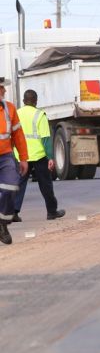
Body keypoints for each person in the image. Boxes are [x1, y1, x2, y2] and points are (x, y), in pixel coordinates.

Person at [15, 90, 65, 223]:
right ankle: (51, 212)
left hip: (21, 156)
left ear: (24, 101)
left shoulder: (16, 114)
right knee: (45, 184)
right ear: (36, 101)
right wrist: (50, 158)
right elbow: (46, 139)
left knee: (18, 184)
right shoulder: (40, 115)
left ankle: (13, 212)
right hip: (38, 155)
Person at [0, 77, 30, 246]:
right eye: (1, 88)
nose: (4, 91)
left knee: (11, 186)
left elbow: (18, 135)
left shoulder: (9, 109)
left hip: (5, 156)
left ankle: (2, 223)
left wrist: (24, 158)